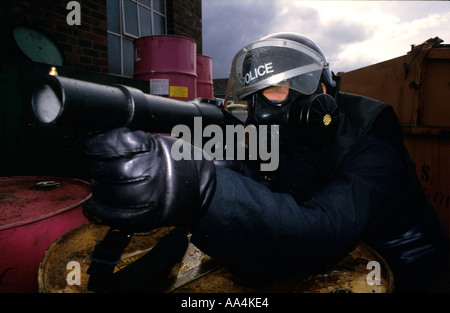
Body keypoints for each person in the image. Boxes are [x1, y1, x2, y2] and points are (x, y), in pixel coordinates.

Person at [83, 32, 449, 292]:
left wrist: (207, 186)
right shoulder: (285, 135)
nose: (261, 111)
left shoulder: (373, 142)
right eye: (254, 95)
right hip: (346, 257)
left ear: (320, 95)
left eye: (276, 91)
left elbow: (320, 233)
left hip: (404, 268)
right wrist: (205, 175)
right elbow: (265, 189)